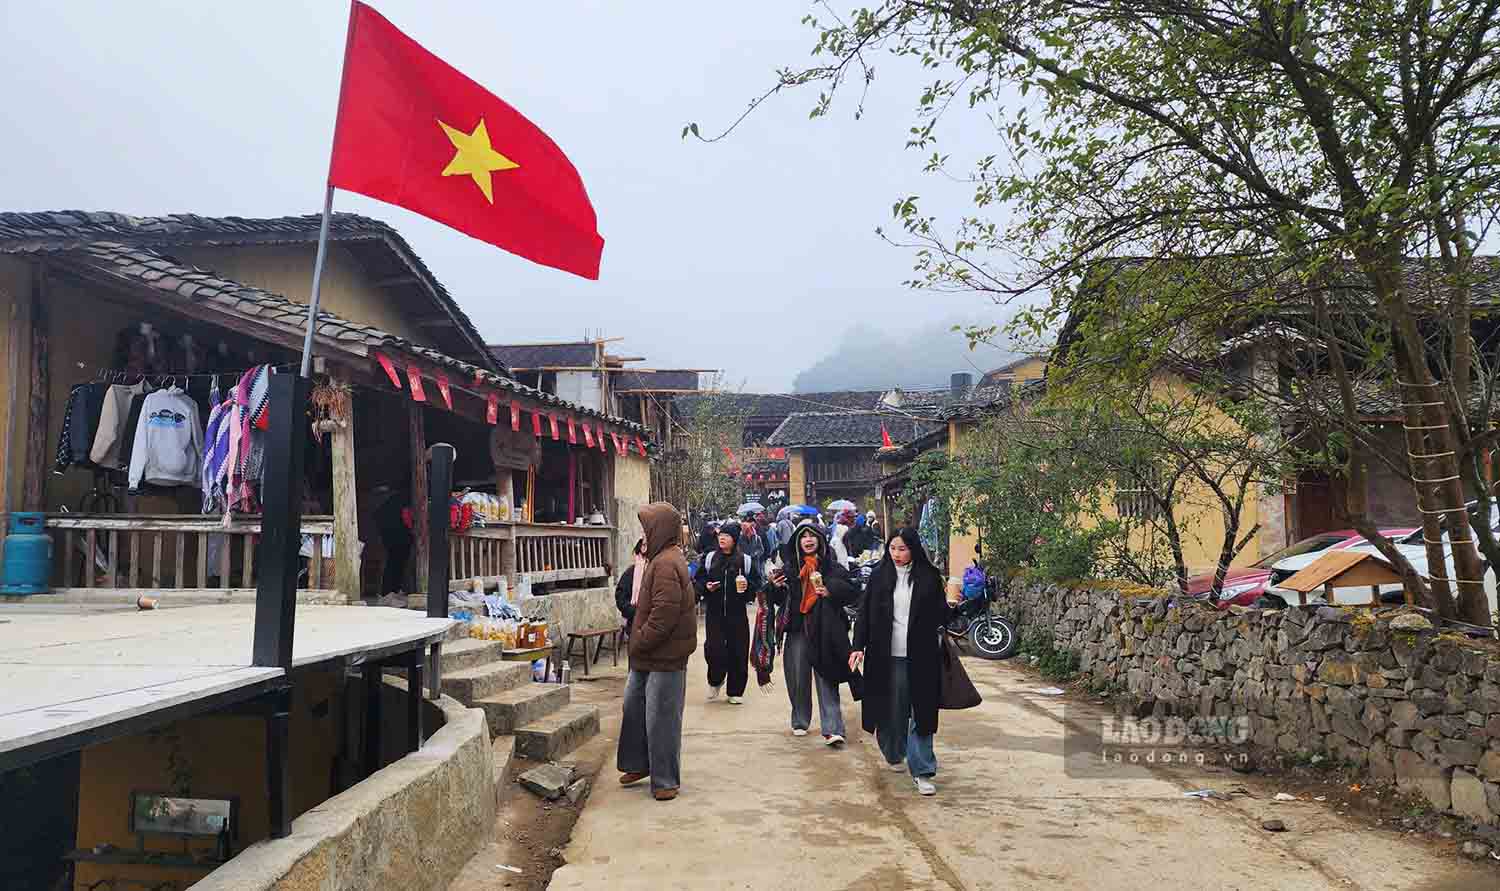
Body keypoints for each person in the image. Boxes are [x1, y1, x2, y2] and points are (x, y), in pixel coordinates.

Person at [849, 528, 962, 796]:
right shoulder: (879, 576)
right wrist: (857, 647)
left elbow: (940, 618)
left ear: (913, 549)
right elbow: (865, 614)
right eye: (892, 548)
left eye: (902, 549)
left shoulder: (929, 577)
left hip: (922, 655)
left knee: (921, 711)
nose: (896, 554)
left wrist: (952, 605)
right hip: (886, 655)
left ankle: (923, 770)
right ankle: (893, 750)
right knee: (892, 711)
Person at [619, 503, 698, 802]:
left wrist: (639, 640)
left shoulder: (666, 563)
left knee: (662, 718)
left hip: (664, 655)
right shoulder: (659, 558)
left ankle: (665, 780)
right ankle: (639, 764)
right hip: (648, 654)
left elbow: (664, 615)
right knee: (635, 709)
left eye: (647, 529)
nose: (644, 535)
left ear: (660, 530)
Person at [765, 522, 858, 745]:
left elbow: (852, 591)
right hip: (797, 629)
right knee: (797, 676)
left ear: (820, 540)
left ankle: (833, 729)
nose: (808, 540)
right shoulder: (789, 569)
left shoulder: (832, 567)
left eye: (812, 536)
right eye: (803, 536)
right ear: (798, 542)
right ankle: (800, 720)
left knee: (827, 677)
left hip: (825, 629)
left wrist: (830, 589)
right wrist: (774, 587)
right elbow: (777, 601)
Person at [694, 520, 762, 704]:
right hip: (714, 613)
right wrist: (706, 587)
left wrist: (747, 587)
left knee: (738, 651)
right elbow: (699, 580)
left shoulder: (745, 561)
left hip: (737, 613)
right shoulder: (710, 558)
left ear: (735, 539)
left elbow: (757, 584)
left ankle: (735, 691)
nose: (722, 538)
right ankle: (715, 680)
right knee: (713, 649)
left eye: (727, 536)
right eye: (721, 535)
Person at [614, 538, 647, 629]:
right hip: (633, 623)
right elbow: (621, 597)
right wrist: (634, 611)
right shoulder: (630, 573)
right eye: (640, 556)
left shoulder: (656, 572)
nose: (642, 560)